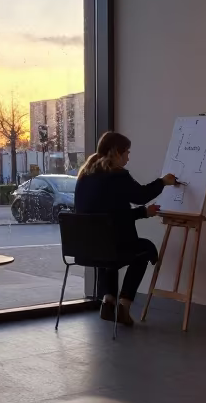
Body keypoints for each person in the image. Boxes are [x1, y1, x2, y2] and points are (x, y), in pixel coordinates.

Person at [75, 131, 178, 326]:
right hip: (112, 245)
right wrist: (163, 182)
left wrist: (143, 212)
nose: (128, 157)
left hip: (86, 248)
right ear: (116, 152)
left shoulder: (85, 175)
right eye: (127, 152)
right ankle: (124, 305)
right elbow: (140, 195)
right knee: (144, 250)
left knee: (106, 251)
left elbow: (108, 216)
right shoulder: (117, 175)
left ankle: (108, 302)